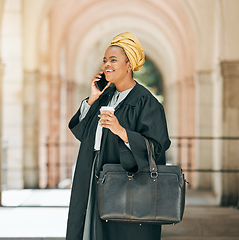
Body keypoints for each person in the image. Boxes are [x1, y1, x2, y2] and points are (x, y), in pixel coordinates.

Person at [66, 32, 171, 240]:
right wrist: (91, 100)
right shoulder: (105, 95)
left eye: (113, 60)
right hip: (92, 173)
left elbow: (157, 147)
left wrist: (121, 131)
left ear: (129, 64)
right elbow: (82, 133)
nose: (106, 65)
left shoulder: (146, 102)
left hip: (124, 183)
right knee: (91, 228)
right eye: (105, 60)